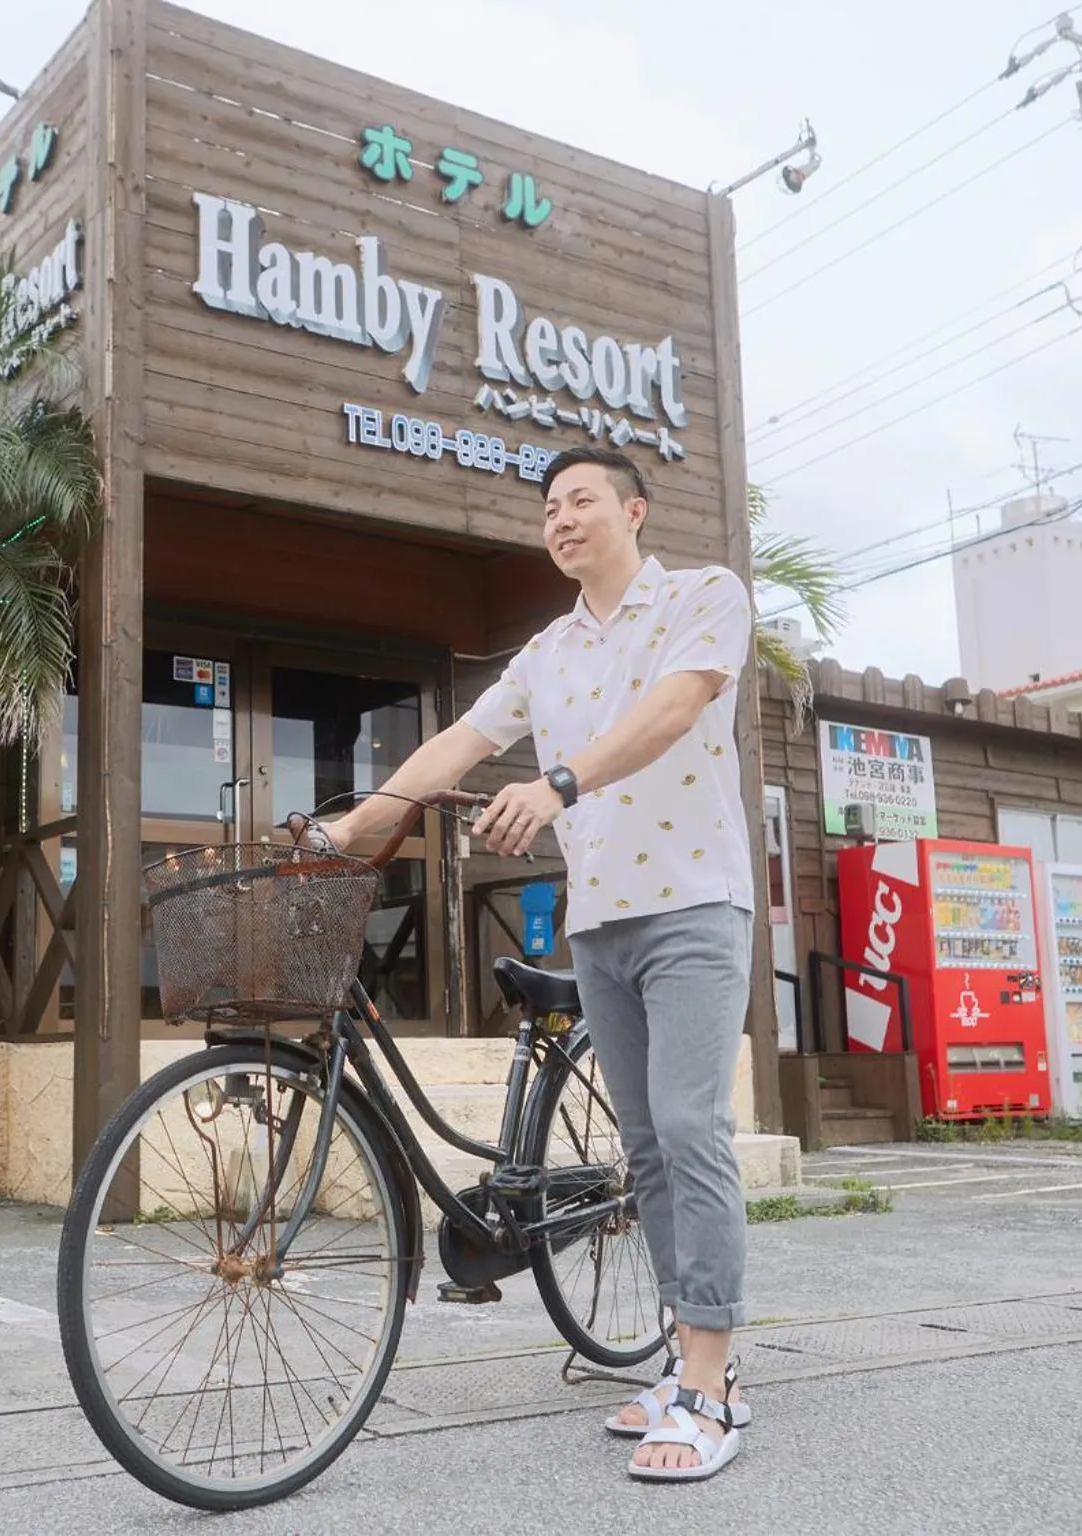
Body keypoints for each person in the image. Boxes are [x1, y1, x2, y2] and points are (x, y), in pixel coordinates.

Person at [317, 445, 757, 1482]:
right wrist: (353, 830)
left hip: (694, 903)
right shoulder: (545, 651)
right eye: (547, 508)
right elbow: (458, 747)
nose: (559, 520)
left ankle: (711, 1383)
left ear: (632, 510)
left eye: (579, 501)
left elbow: (674, 708)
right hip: (601, 921)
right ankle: (674, 1360)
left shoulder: (701, 596)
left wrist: (558, 781)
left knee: (690, 1129)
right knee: (643, 1147)